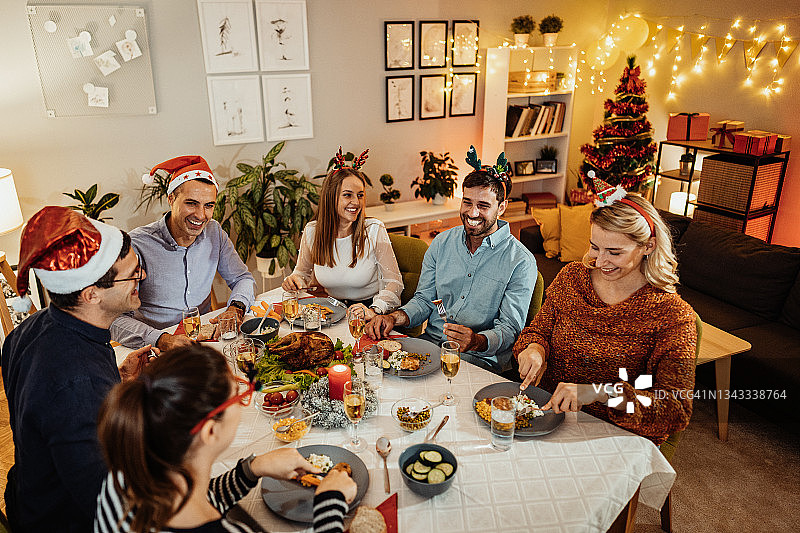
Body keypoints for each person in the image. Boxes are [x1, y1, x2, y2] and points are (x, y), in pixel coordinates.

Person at [1, 206, 157, 532]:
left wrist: (117, 380)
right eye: (132, 274)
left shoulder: (27, 331)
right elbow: (109, 506)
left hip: (29, 494)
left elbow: (50, 413)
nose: (141, 277)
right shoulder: (79, 381)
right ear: (92, 294)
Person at [513, 173, 697, 445]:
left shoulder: (672, 316)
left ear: (648, 246)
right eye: (595, 247)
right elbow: (537, 331)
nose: (600, 262)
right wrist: (534, 349)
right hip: (547, 418)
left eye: (614, 252)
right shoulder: (572, 278)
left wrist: (598, 393)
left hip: (618, 437)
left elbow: (674, 410)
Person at [94, 344, 357, 533]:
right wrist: (329, 502)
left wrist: (250, 471)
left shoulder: (120, 479)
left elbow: (197, 502)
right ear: (210, 431)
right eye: (238, 396)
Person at [366, 147, 537, 372]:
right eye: (467, 202)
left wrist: (476, 340)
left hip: (479, 362)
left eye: (483, 206)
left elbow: (510, 330)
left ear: (501, 207)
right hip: (430, 347)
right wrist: (394, 318)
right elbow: (425, 300)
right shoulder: (441, 243)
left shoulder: (521, 262)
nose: (472, 213)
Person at [112, 156, 256, 350]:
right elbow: (115, 319)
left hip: (204, 341)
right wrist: (163, 339)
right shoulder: (137, 244)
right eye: (191, 203)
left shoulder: (214, 232)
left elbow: (242, 278)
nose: (200, 215)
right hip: (155, 348)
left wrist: (236, 308)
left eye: (208, 205)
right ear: (171, 199)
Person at [283, 148, 403, 319]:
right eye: (348, 195)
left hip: (367, 311)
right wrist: (294, 280)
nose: (356, 202)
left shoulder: (374, 229)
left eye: (360, 195)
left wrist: (374, 310)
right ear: (331, 198)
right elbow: (302, 273)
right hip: (329, 311)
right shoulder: (312, 232)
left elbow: (394, 283)